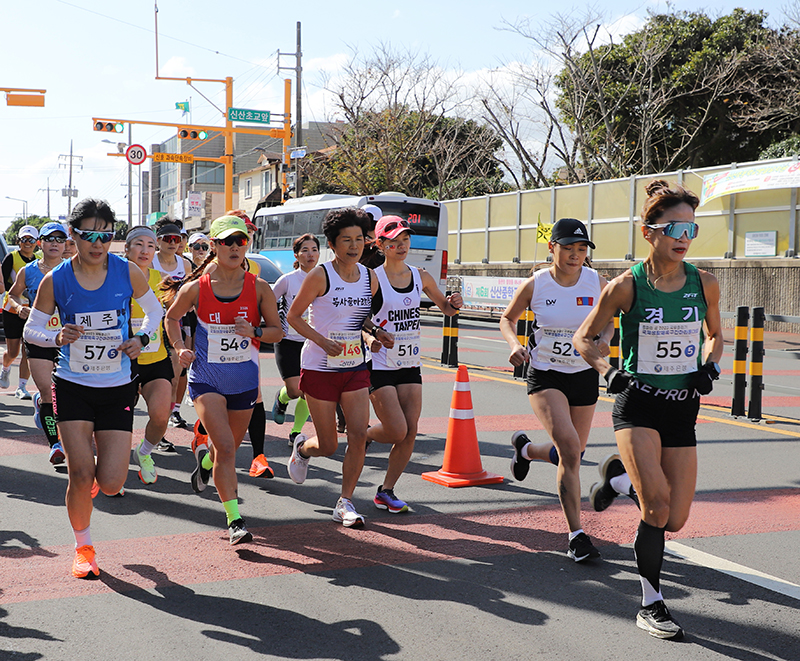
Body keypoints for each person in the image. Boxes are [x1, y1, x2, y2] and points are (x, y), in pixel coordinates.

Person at [574, 180, 723, 640]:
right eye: (674, 227)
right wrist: (607, 369)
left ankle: (618, 478)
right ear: (649, 232)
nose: (684, 236)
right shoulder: (625, 286)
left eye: (691, 229)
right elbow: (585, 338)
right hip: (637, 405)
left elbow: (717, 337)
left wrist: (708, 367)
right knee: (655, 507)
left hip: (683, 408)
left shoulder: (705, 283)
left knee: (675, 518)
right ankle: (651, 602)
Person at [23, 198, 163, 578]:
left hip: (117, 386)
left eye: (106, 235)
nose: (98, 243)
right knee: (80, 474)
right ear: (74, 236)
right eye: (89, 235)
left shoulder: (127, 271)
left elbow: (156, 312)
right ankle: (83, 548)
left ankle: (99, 484)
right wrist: (57, 336)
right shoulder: (57, 279)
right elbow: (30, 329)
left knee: (112, 481)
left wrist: (142, 337)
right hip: (72, 384)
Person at [500, 218, 613, 563]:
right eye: (567, 248)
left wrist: (605, 339)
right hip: (546, 374)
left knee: (574, 454)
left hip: (583, 374)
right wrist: (513, 344)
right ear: (552, 248)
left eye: (581, 249)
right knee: (568, 446)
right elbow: (507, 318)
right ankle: (576, 534)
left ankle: (527, 450)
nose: (574, 255)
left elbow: (610, 318)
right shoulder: (537, 284)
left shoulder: (598, 283)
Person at [165, 215, 282, 545]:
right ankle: (235, 520)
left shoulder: (259, 288)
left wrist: (255, 331)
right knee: (229, 449)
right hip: (207, 380)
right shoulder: (196, 289)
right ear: (214, 246)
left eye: (240, 241)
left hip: (244, 382)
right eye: (227, 241)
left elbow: (278, 331)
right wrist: (179, 348)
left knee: (220, 453)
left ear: (247, 245)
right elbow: (171, 317)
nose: (234, 247)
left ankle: (204, 460)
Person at [286, 207, 393, 528]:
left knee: (358, 434)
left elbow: (361, 318)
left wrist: (376, 332)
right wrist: (321, 341)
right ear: (332, 244)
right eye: (346, 240)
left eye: (359, 239)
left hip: (355, 365)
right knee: (329, 444)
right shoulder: (320, 275)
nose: (354, 245)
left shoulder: (370, 278)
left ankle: (345, 502)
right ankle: (303, 449)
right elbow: (293, 317)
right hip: (319, 366)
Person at [365, 215, 462, 513]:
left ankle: (386, 491)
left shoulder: (420, 276)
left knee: (410, 431)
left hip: (409, 362)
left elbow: (446, 309)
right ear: (381, 244)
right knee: (396, 430)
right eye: (394, 241)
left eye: (405, 240)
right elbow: (358, 318)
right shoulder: (373, 278)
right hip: (380, 362)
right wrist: (374, 335)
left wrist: (454, 303)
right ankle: (364, 433)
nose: (402, 245)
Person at [7, 222, 68, 463]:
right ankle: (55, 445)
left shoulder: (74, 270)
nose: (54, 243)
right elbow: (11, 294)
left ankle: (43, 408)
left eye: (60, 238)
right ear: (40, 243)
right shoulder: (28, 271)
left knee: (64, 394)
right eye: (49, 238)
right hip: (38, 339)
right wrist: (20, 306)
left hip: (67, 340)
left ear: (65, 245)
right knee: (48, 393)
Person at [125, 226, 174, 485]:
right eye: (139, 245)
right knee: (119, 421)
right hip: (121, 362)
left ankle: (143, 453)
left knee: (160, 416)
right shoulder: (114, 277)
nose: (145, 250)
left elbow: (174, 316)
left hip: (156, 359)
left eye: (151, 246)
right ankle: (114, 467)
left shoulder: (161, 279)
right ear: (127, 248)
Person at [271, 233, 319, 447]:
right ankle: (281, 399)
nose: (311, 254)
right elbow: (267, 302)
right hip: (288, 340)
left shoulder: (324, 277)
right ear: (296, 255)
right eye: (305, 250)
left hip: (313, 342)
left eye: (314, 250)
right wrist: (275, 326)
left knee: (308, 390)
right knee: (295, 390)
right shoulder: (288, 280)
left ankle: (296, 431)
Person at [152, 219, 194, 431]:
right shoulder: (150, 261)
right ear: (158, 241)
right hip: (153, 321)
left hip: (178, 320)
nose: (172, 243)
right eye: (167, 239)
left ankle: (165, 423)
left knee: (175, 377)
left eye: (176, 239)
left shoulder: (185, 264)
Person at [1, 224, 39, 398]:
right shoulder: (11, 257)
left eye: (31, 240)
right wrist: (18, 296)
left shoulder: (40, 260)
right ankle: (6, 367)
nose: (28, 243)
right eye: (24, 240)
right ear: (18, 241)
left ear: (37, 242)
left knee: (27, 349)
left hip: (33, 311)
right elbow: (3, 284)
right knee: (13, 351)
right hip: (12, 310)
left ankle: (22, 387)